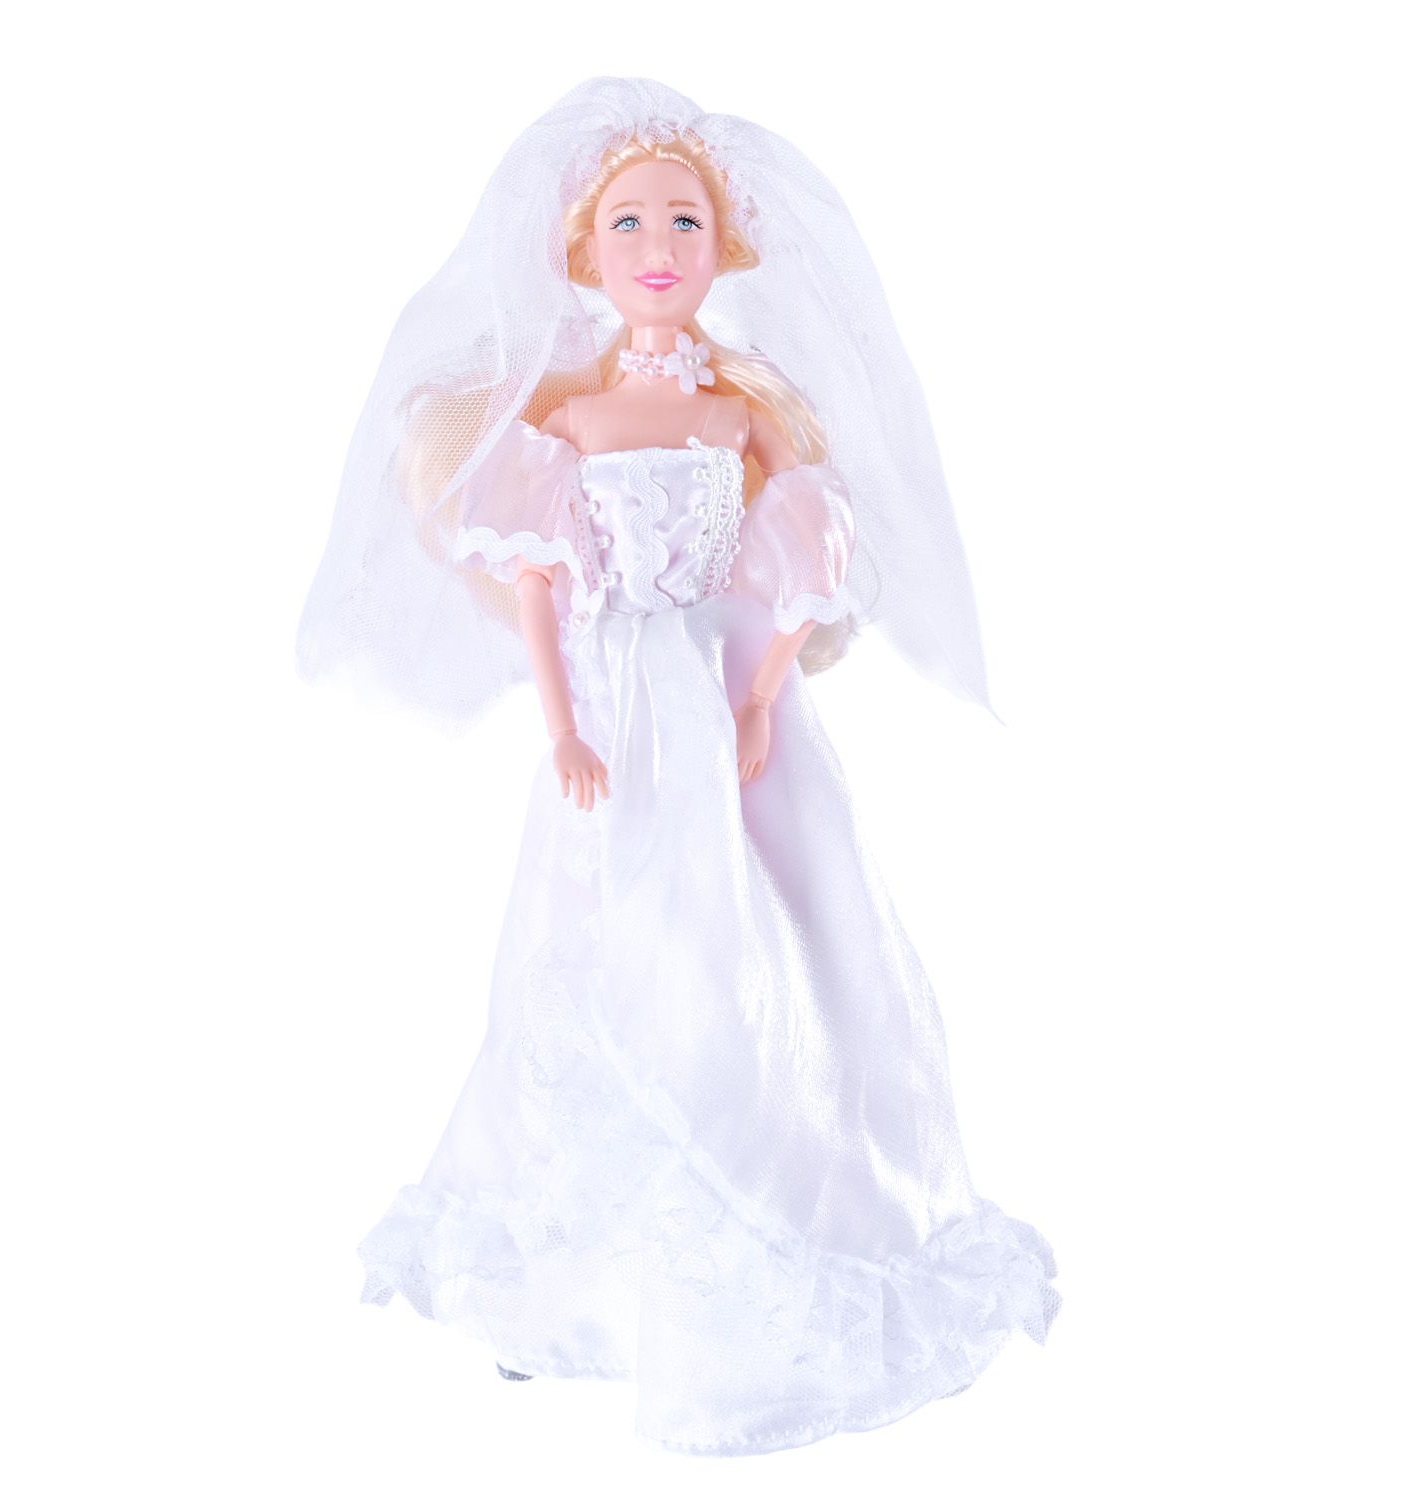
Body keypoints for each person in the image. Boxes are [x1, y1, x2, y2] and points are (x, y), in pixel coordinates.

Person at [298, 76, 1060, 1456]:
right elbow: (541, 585)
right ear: (584, 252)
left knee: (762, 948)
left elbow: (800, 565)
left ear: (726, 245)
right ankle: (582, 1286)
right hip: (611, 707)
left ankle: (778, 1227)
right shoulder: (567, 426)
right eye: (631, 223)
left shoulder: (743, 415)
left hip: (720, 702)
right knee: (588, 949)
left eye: (685, 222)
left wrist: (760, 697)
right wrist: (564, 723)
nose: (658, 246)